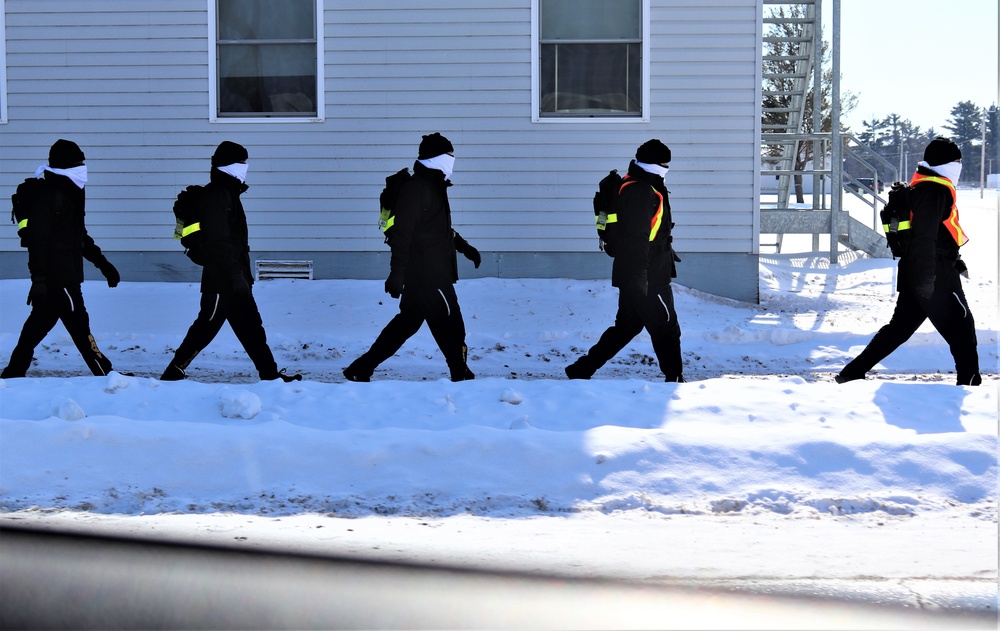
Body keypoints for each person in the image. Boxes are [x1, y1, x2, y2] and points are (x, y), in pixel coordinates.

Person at [836, 137, 981, 386]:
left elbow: (935, 234)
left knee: (899, 330)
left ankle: (852, 373)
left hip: (922, 271)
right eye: (957, 161)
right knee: (962, 328)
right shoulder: (934, 190)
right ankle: (969, 384)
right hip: (934, 276)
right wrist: (928, 279)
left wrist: (954, 259)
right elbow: (924, 238)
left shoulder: (925, 185)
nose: (959, 165)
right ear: (947, 163)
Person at [160, 141, 301, 383]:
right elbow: (219, 242)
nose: (246, 167)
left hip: (236, 277)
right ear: (229, 165)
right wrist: (236, 277)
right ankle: (173, 371)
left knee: (252, 330)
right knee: (205, 327)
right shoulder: (217, 195)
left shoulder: (229, 193)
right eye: (242, 162)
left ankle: (269, 375)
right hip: (221, 279)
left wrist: (242, 277)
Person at [343, 133, 480, 382]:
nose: (452, 160)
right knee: (449, 322)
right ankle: (459, 373)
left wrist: (464, 246)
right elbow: (402, 235)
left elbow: (436, 228)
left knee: (406, 323)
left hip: (432, 269)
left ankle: (361, 368)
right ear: (436, 157)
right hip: (427, 272)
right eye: (449, 155)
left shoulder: (434, 186)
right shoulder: (416, 189)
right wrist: (397, 274)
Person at [565, 139, 684, 382]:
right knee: (666, 328)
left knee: (627, 328)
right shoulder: (639, 190)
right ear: (653, 162)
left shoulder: (647, 184)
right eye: (664, 163)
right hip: (647, 275)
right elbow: (636, 239)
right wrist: (640, 279)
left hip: (640, 272)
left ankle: (581, 369)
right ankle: (675, 380)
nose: (667, 167)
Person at [2, 140, 121, 378]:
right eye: (78, 164)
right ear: (65, 167)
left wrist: (103, 264)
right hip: (58, 277)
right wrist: (39, 281)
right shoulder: (51, 196)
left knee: (38, 325)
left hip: (63, 274)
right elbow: (37, 242)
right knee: (79, 324)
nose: (82, 168)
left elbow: (80, 237)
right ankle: (105, 374)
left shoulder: (70, 193)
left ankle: (13, 372)